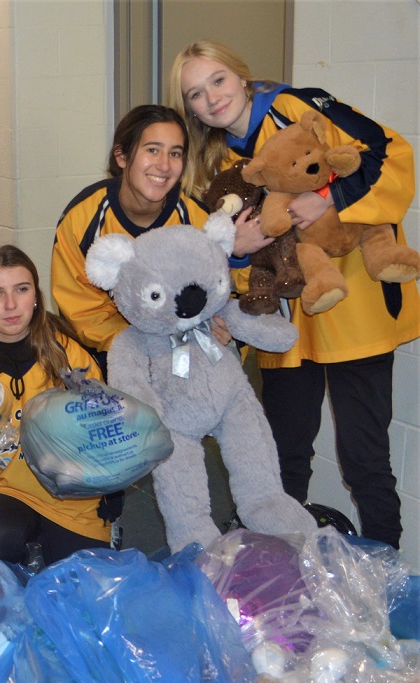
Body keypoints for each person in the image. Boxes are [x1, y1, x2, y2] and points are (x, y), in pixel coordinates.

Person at [169, 40, 418, 548]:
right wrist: (237, 252)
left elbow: (392, 154)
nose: (212, 99)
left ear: (241, 76)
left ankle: (386, 582)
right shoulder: (213, 164)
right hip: (283, 326)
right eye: (195, 93)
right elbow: (220, 261)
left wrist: (326, 198)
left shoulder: (296, 108)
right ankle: (285, 575)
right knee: (282, 457)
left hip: (353, 308)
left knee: (365, 459)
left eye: (217, 81)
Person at [0, 246, 109, 570]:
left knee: (88, 578)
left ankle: (42, 551)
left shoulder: (68, 355)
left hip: (68, 491)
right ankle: (20, 553)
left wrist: (110, 492)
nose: (10, 305)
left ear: (36, 294)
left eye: (21, 289)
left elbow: (103, 430)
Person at [51, 104, 247, 373]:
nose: (164, 166)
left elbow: (223, 291)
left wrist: (223, 325)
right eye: (152, 150)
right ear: (122, 156)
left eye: (175, 153)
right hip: (115, 358)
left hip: (191, 353)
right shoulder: (83, 218)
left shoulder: (196, 220)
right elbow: (84, 314)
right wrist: (148, 345)